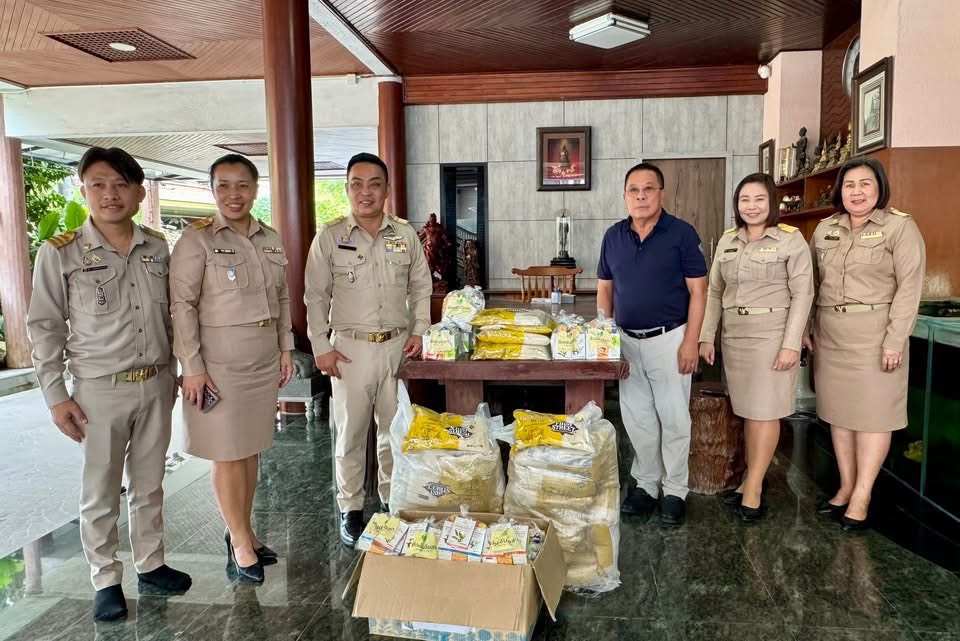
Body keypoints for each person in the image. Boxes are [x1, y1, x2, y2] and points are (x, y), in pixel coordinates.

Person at [27, 147, 191, 621]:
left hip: (156, 381)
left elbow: (173, 315)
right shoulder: (61, 252)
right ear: (84, 191)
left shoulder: (156, 246)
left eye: (121, 184)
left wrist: (177, 371)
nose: (110, 194)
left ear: (139, 192)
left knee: (150, 482)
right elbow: (45, 327)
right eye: (98, 184)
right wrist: (56, 396)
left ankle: (151, 562)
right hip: (99, 388)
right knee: (101, 488)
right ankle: (105, 578)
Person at [169, 154, 294, 582]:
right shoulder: (197, 239)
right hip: (218, 363)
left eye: (242, 185)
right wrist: (192, 366)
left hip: (261, 359)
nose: (233, 194)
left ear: (255, 189)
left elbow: (281, 299)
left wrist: (285, 349)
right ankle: (239, 540)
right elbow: (182, 305)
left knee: (249, 448)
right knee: (226, 452)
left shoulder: (269, 238)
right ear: (212, 190)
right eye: (223, 185)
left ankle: (244, 529)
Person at [304, 152, 432, 546]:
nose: (365, 192)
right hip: (350, 351)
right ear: (346, 189)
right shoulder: (330, 237)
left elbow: (421, 287)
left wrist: (420, 330)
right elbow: (314, 295)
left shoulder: (404, 235)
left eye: (374, 184)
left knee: (395, 432)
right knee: (350, 434)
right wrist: (321, 346)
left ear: (386, 190)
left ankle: (393, 502)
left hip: (397, 348)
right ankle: (351, 508)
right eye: (356, 184)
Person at [806, 157, 925, 531]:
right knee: (840, 414)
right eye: (849, 185)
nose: (856, 192)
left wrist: (895, 340)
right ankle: (845, 486)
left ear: (879, 188)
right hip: (831, 333)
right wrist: (806, 329)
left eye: (865, 184)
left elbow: (909, 288)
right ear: (840, 191)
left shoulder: (899, 228)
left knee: (874, 416)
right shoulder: (824, 229)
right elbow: (810, 285)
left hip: (876, 335)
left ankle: (862, 495)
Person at [698, 173, 814, 522]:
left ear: (772, 202)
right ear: (737, 204)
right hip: (736, 336)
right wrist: (707, 335)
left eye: (759, 199)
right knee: (748, 411)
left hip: (772, 336)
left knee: (765, 412)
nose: (751, 206)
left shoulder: (790, 240)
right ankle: (751, 477)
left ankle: (754, 489)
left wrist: (791, 344)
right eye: (744, 199)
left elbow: (803, 294)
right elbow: (715, 292)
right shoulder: (728, 240)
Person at [597, 162, 708, 526]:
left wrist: (691, 341)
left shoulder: (681, 234)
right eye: (634, 190)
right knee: (638, 419)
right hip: (627, 341)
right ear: (625, 195)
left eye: (648, 189)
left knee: (674, 417)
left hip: (670, 339)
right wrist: (605, 336)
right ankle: (646, 485)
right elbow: (605, 289)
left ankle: (675, 489)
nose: (641, 196)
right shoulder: (613, 237)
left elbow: (699, 291)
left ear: (661, 193)